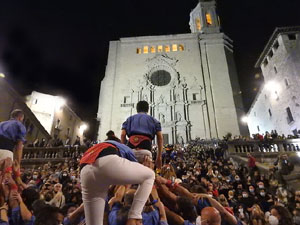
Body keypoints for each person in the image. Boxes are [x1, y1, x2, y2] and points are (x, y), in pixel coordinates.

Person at [80, 138, 155, 225]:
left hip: (85, 172)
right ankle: (135, 218)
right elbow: (146, 154)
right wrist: (145, 167)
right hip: (106, 161)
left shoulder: (96, 147)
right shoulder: (122, 147)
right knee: (149, 175)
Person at [121, 101, 163, 168]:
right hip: (145, 151)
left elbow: (123, 134)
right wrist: (159, 156)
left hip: (130, 150)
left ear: (137, 109)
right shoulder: (154, 120)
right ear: (147, 109)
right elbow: (160, 137)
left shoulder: (129, 119)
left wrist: (123, 150)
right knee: (146, 175)